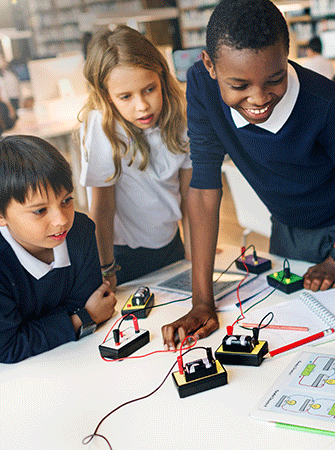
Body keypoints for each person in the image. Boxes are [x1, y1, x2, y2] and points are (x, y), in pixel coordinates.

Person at [161, 0, 335, 349]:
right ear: (210, 65)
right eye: (239, 85)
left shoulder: (327, 101)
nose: (258, 98)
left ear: (288, 56)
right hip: (285, 227)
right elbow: (203, 185)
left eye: (275, 79)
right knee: (286, 326)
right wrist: (202, 302)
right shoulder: (201, 86)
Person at [79, 25, 192, 287]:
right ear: (106, 97)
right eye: (125, 97)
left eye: (149, 89)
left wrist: (194, 249)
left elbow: (190, 195)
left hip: (172, 243)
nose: (141, 106)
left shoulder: (181, 116)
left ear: (162, 78)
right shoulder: (102, 127)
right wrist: (106, 271)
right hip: (123, 257)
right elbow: (103, 208)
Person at [0, 135, 116, 363]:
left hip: (78, 359)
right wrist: (83, 318)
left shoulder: (80, 232)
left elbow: (86, 299)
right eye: (39, 211)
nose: (61, 220)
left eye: (67, 200)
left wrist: (36, 329)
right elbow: (8, 346)